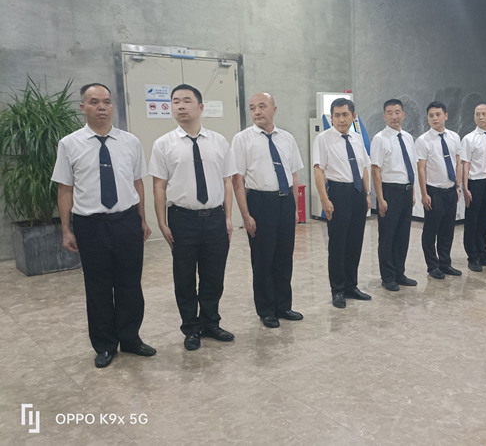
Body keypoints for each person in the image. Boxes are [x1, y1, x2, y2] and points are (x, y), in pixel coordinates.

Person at [52, 83, 155, 368]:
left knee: (130, 284)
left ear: (112, 106)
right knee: (97, 286)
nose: (101, 107)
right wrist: (66, 229)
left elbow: (137, 182)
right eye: (94, 102)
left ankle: (131, 339)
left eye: (106, 102)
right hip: (90, 224)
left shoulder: (130, 142)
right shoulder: (69, 144)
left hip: (126, 221)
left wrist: (142, 219)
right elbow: (65, 189)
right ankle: (105, 345)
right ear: (82, 107)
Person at [149, 84, 237, 351]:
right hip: (182, 219)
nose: (180, 106)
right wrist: (162, 222)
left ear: (200, 107)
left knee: (214, 275)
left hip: (215, 218)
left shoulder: (219, 142)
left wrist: (228, 217)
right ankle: (191, 328)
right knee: (184, 276)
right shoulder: (163, 144)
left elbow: (228, 181)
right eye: (175, 101)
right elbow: (159, 186)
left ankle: (210, 322)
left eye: (186, 101)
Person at [232, 93, 304, 328]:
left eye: (262, 106)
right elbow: (237, 180)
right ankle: (266, 309)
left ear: (274, 109)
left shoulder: (287, 138)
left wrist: (295, 209)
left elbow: (293, 175)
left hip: (285, 202)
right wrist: (246, 215)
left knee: (284, 257)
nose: (257, 111)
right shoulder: (242, 139)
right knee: (263, 260)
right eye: (252, 107)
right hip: (260, 202)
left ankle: (283, 305)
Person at [313, 98, 372, 308]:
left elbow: (364, 167)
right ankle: (337, 290)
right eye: (336, 115)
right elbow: (318, 170)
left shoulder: (357, 138)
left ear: (353, 117)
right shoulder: (323, 139)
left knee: (355, 242)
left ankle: (351, 286)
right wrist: (324, 199)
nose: (340, 120)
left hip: (358, 192)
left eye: (345, 115)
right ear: (331, 118)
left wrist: (367, 193)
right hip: (338, 192)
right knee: (338, 244)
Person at [371, 99, 418, 291]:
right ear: (384, 116)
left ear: (403, 115)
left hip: (406, 190)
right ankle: (388, 276)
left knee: (402, 235)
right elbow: (376, 171)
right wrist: (380, 198)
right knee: (388, 236)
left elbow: (411, 166)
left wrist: (412, 191)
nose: (394, 116)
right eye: (390, 113)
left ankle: (400, 273)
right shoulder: (380, 139)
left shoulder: (408, 137)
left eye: (397, 112)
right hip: (389, 191)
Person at [415, 101, 463, 279]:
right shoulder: (423, 140)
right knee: (431, 230)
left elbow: (457, 162)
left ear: (446, 116)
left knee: (447, 230)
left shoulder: (454, 137)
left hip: (450, 190)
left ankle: (445, 263)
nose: (435, 118)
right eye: (431, 115)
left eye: (438, 114)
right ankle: (432, 266)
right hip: (433, 191)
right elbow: (421, 168)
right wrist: (424, 194)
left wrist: (457, 186)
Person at [461, 103, 486, 272]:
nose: (481, 117)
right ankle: (473, 256)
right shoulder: (469, 139)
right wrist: (465, 187)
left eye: (484, 114)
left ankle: (483, 253)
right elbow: (465, 164)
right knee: (473, 221)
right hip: (475, 183)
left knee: (484, 221)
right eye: (477, 114)